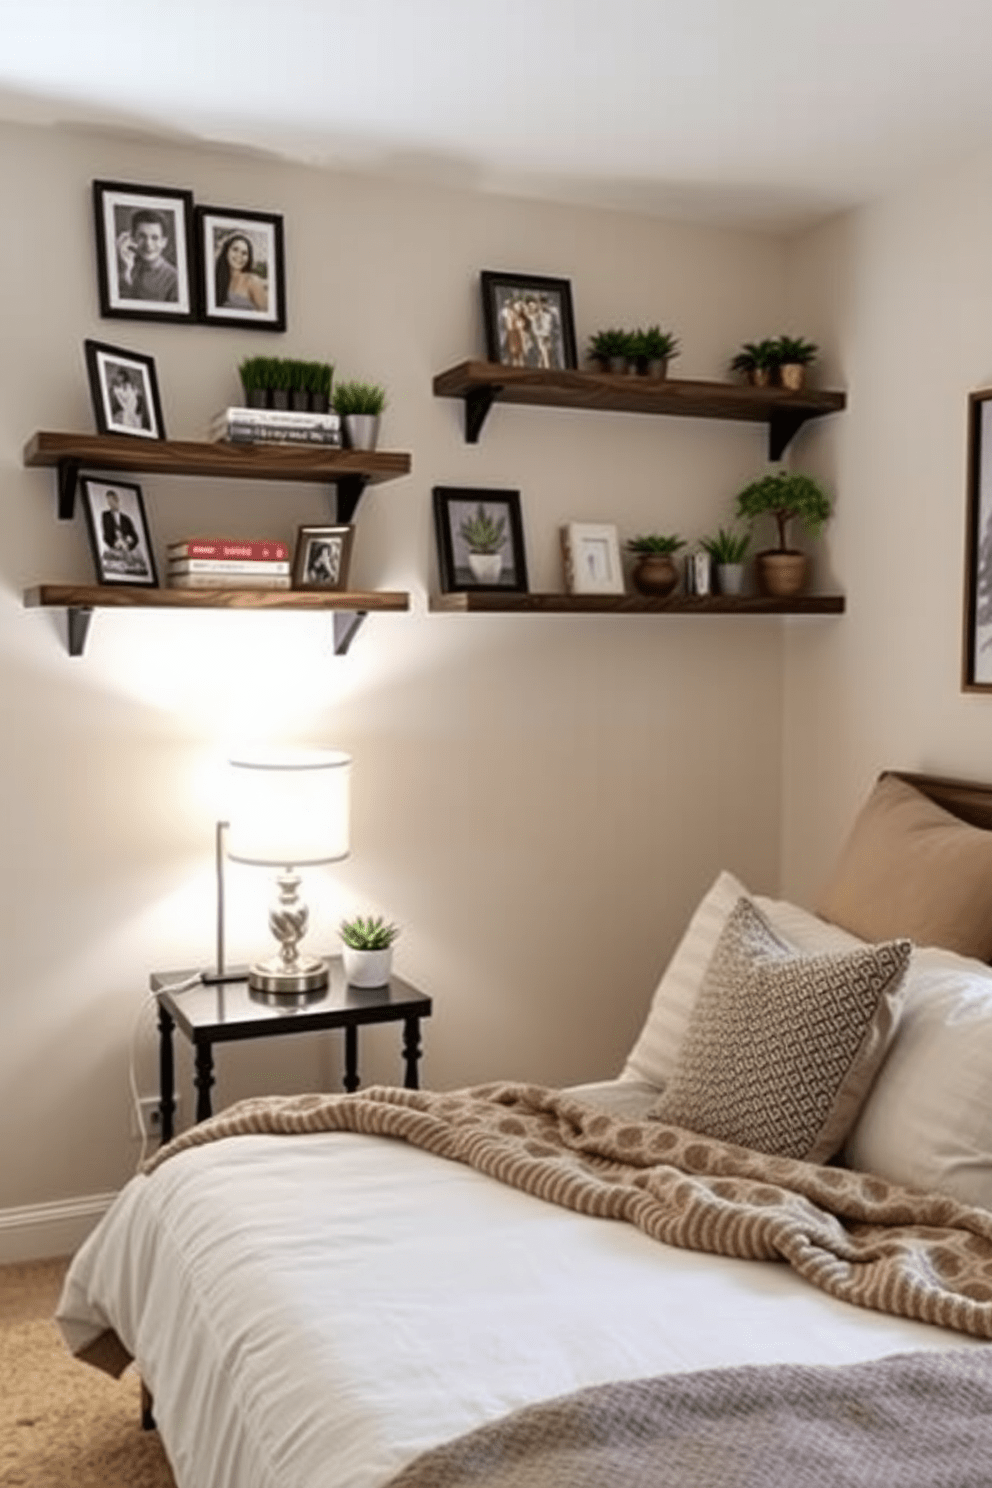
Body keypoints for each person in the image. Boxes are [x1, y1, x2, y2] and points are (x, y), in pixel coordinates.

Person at [116, 208, 178, 302]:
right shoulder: (126, 267)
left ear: (164, 242)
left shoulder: (174, 279)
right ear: (132, 238)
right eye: (142, 236)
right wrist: (126, 270)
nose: (148, 244)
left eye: (155, 238)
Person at [214, 233, 268, 312]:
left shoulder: (252, 281)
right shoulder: (217, 279)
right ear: (226, 251)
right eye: (235, 249)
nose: (239, 255)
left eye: (244, 253)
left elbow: (266, 314)